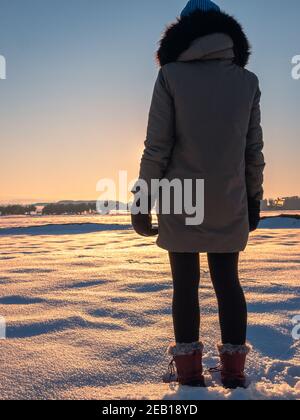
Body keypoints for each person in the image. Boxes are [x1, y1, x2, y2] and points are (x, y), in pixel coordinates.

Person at [131, 0, 265, 389]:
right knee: (228, 282)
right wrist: (253, 200)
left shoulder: (170, 76)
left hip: (179, 197)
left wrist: (142, 202)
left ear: (182, 32)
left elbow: (157, 147)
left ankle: (189, 376)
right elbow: (252, 152)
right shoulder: (247, 81)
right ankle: (235, 374)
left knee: (184, 284)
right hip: (229, 197)